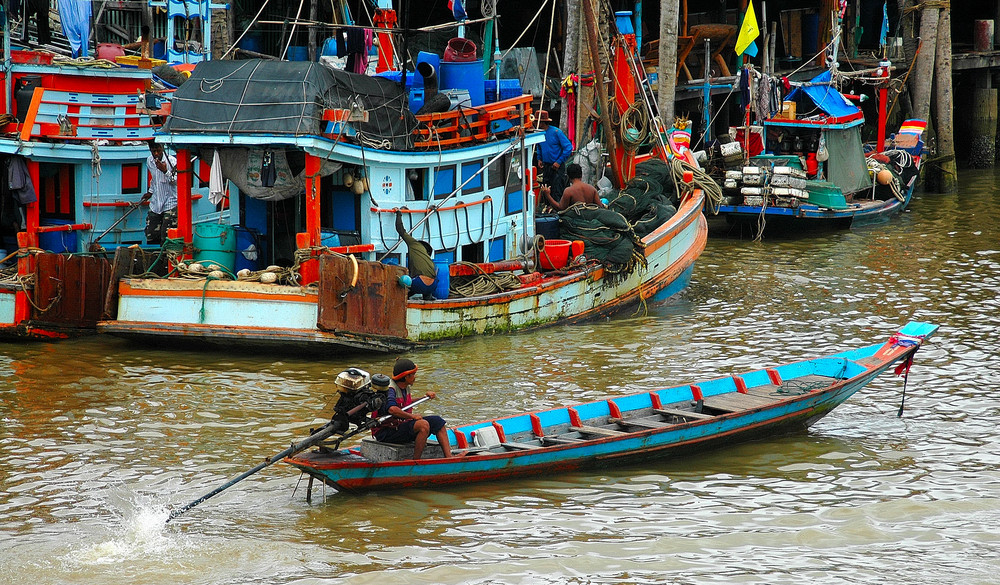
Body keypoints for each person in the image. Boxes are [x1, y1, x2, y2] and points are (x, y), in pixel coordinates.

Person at [371, 358, 456, 459]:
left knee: (438, 422)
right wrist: (412, 416)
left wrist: (424, 398)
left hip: (400, 427)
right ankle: (416, 461)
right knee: (423, 425)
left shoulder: (404, 386)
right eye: (413, 374)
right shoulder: (390, 389)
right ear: (406, 377)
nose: (415, 377)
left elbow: (405, 403)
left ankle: (449, 457)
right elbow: (392, 409)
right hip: (386, 432)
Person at [395, 210, 439, 299]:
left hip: (419, 284)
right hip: (432, 286)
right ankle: (428, 297)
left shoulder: (413, 244)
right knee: (430, 277)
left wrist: (398, 214)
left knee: (404, 282)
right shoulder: (428, 260)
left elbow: (400, 229)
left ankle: (404, 298)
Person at [143, 142, 178, 245]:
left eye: (158, 150)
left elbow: (176, 181)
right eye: (154, 151)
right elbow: (154, 179)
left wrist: (165, 171)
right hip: (156, 203)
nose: (156, 153)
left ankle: (167, 259)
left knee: (166, 237)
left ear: (162, 148)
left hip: (171, 202)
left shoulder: (172, 161)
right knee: (151, 235)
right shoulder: (149, 161)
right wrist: (150, 192)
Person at [535, 110, 573, 202]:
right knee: (546, 188)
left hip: (557, 166)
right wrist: (539, 158)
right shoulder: (538, 133)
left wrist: (559, 162)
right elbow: (539, 146)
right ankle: (547, 207)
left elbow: (568, 147)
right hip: (546, 166)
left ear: (542, 122)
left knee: (557, 189)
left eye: (537, 121)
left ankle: (557, 209)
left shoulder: (556, 132)